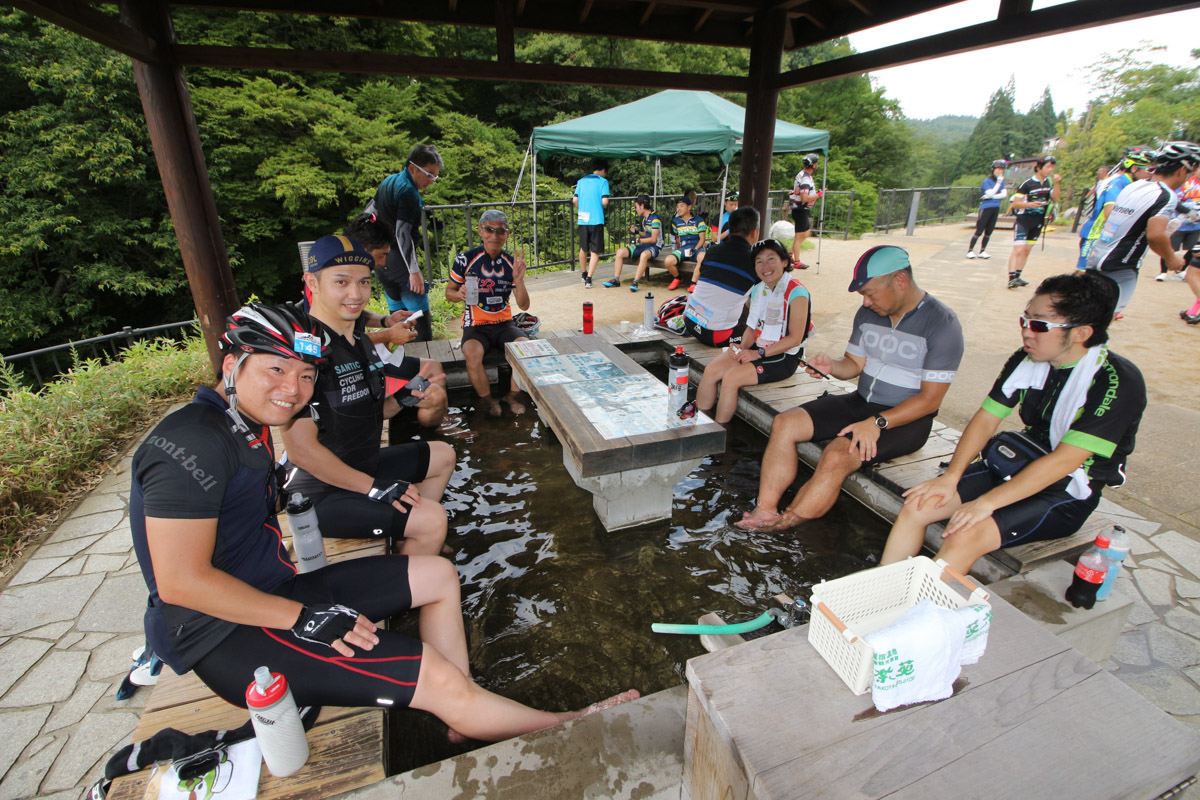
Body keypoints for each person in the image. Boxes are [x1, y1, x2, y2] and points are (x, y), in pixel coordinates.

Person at [129, 302, 638, 737]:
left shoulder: (247, 422)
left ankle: (460, 708)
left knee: (438, 574)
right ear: (232, 363)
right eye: (275, 370)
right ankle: (567, 721)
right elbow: (179, 583)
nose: (295, 388)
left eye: (305, 375)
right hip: (225, 633)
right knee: (435, 676)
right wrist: (303, 617)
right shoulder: (190, 441)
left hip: (276, 593)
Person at [880, 271, 1145, 575]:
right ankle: (882, 591)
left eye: (1039, 324)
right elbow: (986, 417)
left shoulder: (1116, 381)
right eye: (1024, 320)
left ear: (1081, 333)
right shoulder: (1028, 357)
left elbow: (1063, 462)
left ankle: (916, 613)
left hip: (1068, 487)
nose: (1026, 332)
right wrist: (951, 476)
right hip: (1023, 460)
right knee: (919, 504)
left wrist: (986, 503)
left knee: (965, 533)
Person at [736, 245, 964, 531]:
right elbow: (853, 365)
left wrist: (878, 422)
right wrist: (832, 365)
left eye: (870, 293)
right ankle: (765, 511)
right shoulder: (869, 314)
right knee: (785, 423)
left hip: (907, 420)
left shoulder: (942, 323)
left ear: (900, 281)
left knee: (837, 454)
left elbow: (930, 401)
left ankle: (785, 525)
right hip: (862, 402)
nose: (866, 302)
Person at [283, 236, 453, 555]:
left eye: (363, 282)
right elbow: (301, 450)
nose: (356, 293)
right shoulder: (304, 353)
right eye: (341, 282)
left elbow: (372, 412)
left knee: (444, 455)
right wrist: (375, 489)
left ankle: (407, 535)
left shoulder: (358, 339)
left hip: (364, 466)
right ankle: (412, 565)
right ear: (312, 283)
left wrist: (405, 398)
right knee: (433, 519)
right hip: (322, 494)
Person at [694, 238, 811, 424]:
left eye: (771, 258)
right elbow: (751, 328)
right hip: (759, 347)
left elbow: (795, 339)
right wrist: (740, 347)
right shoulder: (758, 289)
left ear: (785, 262)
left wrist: (757, 353)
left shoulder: (797, 293)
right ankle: (698, 425)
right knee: (711, 370)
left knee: (731, 379)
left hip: (784, 357)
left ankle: (719, 434)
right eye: (759, 261)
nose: (765, 266)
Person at [1086, 142, 1200, 316]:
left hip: (1098, 256)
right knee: (1100, 321)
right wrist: (1171, 258)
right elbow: (1155, 236)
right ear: (1182, 171)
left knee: (1089, 314)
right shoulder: (1165, 195)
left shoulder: (1134, 185)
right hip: (1122, 264)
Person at [445, 210, 531, 416]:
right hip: (476, 325)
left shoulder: (512, 263)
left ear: (507, 234)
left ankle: (512, 395)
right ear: (480, 231)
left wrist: (519, 281)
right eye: (489, 229)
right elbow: (449, 292)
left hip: (504, 324)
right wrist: (460, 294)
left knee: (527, 349)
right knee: (472, 354)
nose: (494, 235)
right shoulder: (465, 260)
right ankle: (488, 399)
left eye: (501, 231)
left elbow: (524, 306)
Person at [370, 144, 442, 342]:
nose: (431, 181)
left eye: (435, 176)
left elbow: (369, 213)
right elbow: (402, 232)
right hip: (400, 264)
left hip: (383, 263)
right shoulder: (409, 192)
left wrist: (371, 248)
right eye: (429, 175)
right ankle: (425, 366)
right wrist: (413, 270)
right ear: (413, 168)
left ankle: (402, 364)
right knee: (420, 326)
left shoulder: (389, 181)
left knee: (397, 320)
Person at [682, 206, 759, 347]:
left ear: (729, 229)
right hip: (716, 336)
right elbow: (755, 303)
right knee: (760, 332)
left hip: (690, 321)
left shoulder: (713, 250)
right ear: (755, 232)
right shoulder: (755, 262)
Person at [1077, 147, 1154, 272]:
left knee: (1094, 275)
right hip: (1095, 234)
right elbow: (1110, 214)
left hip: (1109, 237)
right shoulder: (1118, 184)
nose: (1151, 174)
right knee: (1085, 274)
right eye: (1149, 169)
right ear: (1134, 168)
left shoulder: (1132, 186)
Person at [1005, 155, 1060, 289]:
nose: (1050, 170)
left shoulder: (1049, 183)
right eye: (1048, 167)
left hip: (1038, 222)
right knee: (1018, 249)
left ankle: (1018, 275)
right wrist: (1029, 205)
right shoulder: (1027, 184)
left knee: (1026, 250)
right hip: (1024, 220)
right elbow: (1015, 204)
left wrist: (1057, 183)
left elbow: (1056, 199)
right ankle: (1011, 278)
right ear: (1039, 168)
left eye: (1052, 167)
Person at [602, 194, 662, 290]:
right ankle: (616, 279)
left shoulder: (655, 219)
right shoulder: (645, 219)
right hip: (645, 244)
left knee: (644, 255)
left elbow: (653, 239)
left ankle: (635, 282)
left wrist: (637, 240)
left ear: (642, 206)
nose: (636, 209)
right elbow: (647, 234)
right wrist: (637, 232)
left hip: (655, 247)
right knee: (620, 252)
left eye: (636, 207)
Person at [1157, 172, 1200, 281]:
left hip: (1196, 225)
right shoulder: (1185, 183)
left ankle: (1180, 270)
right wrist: (1188, 212)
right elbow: (1175, 201)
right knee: (1170, 248)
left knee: (1193, 249)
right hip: (1180, 223)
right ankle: (1163, 272)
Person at [659, 196, 706, 292]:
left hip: (696, 248)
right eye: (677, 207)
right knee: (668, 260)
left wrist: (695, 249)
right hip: (684, 249)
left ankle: (693, 283)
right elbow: (677, 238)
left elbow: (702, 239)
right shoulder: (675, 222)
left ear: (689, 207)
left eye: (681, 206)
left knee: (702, 257)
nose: (678, 209)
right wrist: (678, 252)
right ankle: (677, 278)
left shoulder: (698, 220)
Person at [575, 160, 610, 285]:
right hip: (596, 219)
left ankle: (583, 273)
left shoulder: (581, 181)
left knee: (583, 248)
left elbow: (575, 200)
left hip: (583, 218)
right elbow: (604, 202)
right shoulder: (603, 182)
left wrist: (581, 207)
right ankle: (589, 279)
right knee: (595, 250)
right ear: (603, 170)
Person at [966, 160, 1006, 259]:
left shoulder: (1002, 182)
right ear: (993, 169)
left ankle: (982, 250)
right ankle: (970, 250)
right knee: (979, 229)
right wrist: (998, 184)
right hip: (986, 207)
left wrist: (990, 196)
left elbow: (1003, 195)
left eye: (1002, 169)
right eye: (998, 169)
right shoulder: (987, 181)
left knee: (989, 231)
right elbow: (991, 193)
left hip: (995, 207)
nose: (1000, 171)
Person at [787, 153, 820, 268]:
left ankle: (790, 254)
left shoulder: (802, 174)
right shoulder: (806, 178)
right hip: (800, 208)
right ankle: (796, 261)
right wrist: (818, 195)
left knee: (805, 233)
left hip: (799, 208)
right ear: (814, 165)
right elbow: (804, 198)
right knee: (800, 235)